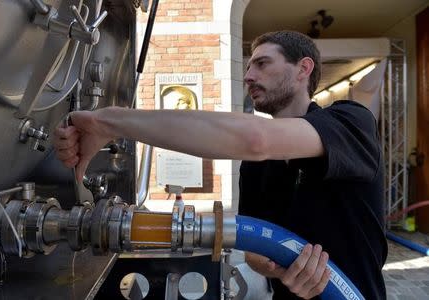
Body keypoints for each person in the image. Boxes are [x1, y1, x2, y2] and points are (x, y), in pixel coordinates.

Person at [53, 30, 387, 299]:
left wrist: (110, 121)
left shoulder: (350, 122)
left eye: (261, 64)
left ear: (303, 68)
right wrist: (279, 268)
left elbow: (256, 139)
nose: (249, 76)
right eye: (247, 67)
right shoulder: (257, 166)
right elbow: (254, 254)